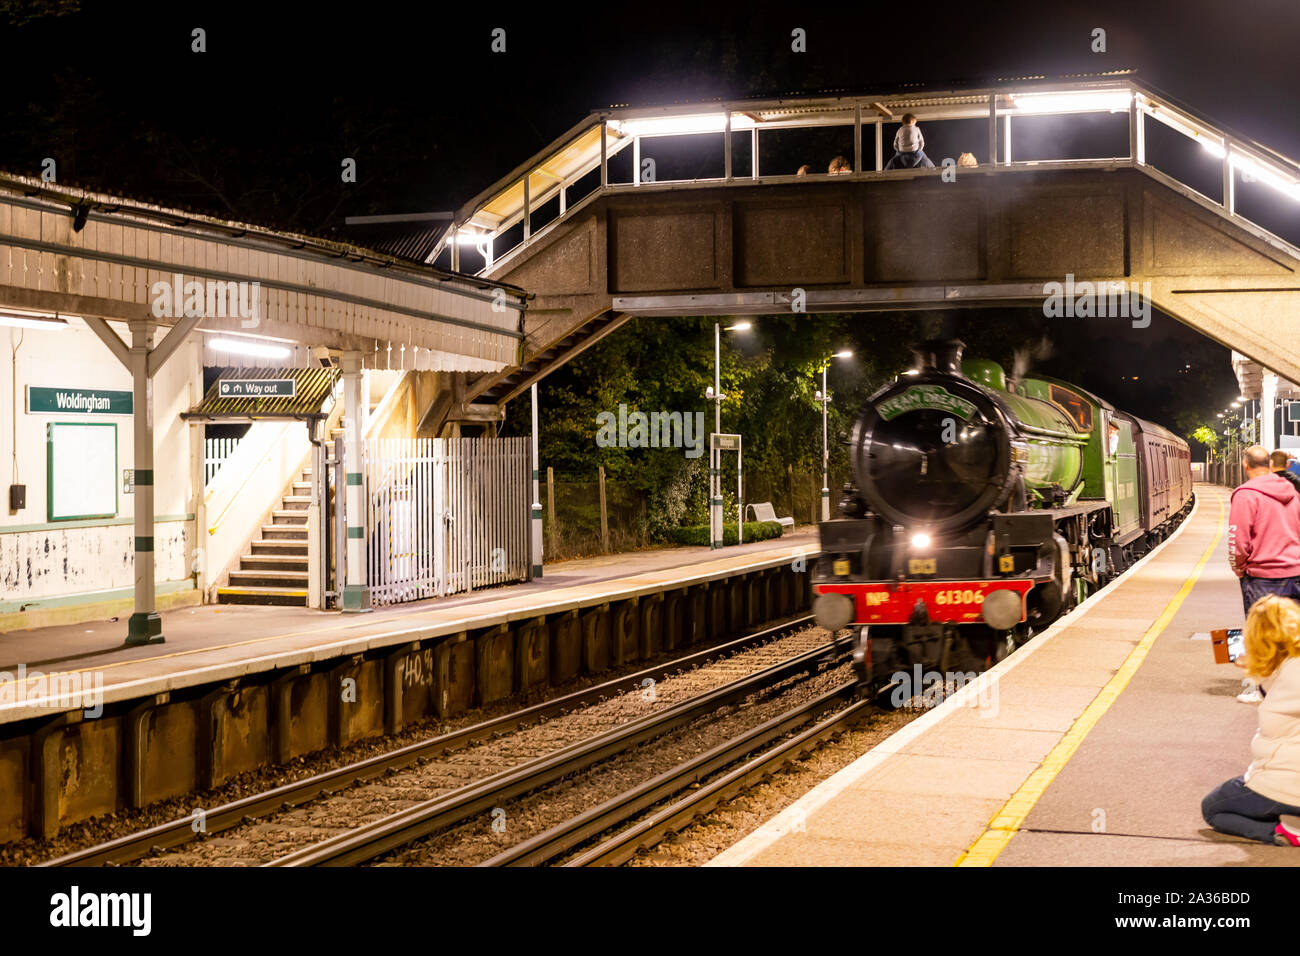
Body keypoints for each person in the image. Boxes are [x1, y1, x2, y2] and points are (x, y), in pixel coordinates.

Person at [1201, 595, 1300, 846]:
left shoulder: (1285, 676)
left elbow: (1277, 707)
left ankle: (1283, 832)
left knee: (1213, 808)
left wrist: (1257, 665)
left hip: (1286, 785)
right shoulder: (1289, 667)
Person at [1230, 444, 1300, 702]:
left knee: (1262, 632)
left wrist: (1239, 567)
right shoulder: (1292, 490)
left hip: (1262, 574)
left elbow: (1237, 541)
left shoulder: (1245, 494)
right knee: (1293, 631)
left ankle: (1261, 690)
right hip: (1296, 570)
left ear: (1245, 464)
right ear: (1269, 464)